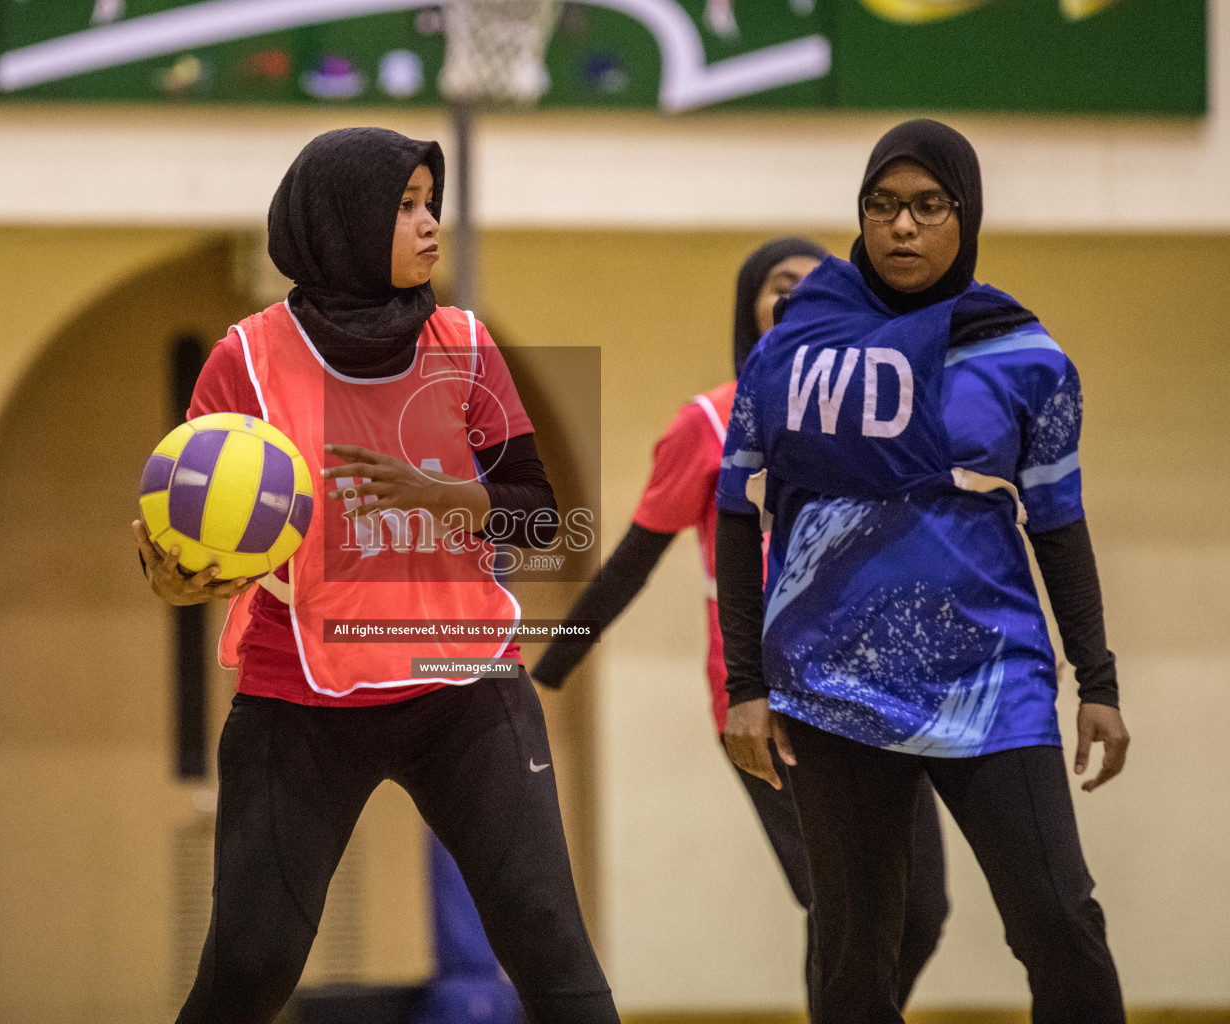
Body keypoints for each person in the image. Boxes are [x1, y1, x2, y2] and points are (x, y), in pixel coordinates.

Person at [131, 127, 620, 1024]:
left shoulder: (464, 343)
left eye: (432, 202)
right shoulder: (243, 359)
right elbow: (182, 549)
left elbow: (536, 512)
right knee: (250, 965)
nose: (431, 224)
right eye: (405, 207)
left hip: (466, 684)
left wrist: (442, 494)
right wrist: (173, 580)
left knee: (550, 943)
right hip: (302, 694)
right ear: (342, 221)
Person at [717, 119, 1129, 1023]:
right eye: (882, 206)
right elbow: (738, 512)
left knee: (1059, 920)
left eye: (928, 207)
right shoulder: (787, 352)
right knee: (854, 955)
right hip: (832, 686)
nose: (903, 227)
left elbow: (1059, 523)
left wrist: (1096, 679)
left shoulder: (1027, 356)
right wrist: (746, 683)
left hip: (992, 683)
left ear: (964, 214)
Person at [531, 238, 947, 1011]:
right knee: (846, 907)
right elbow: (629, 563)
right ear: (751, 313)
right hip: (768, 702)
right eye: (781, 286)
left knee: (920, 913)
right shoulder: (708, 424)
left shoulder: (881, 421)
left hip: (886, 698)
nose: (802, 296)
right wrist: (546, 673)